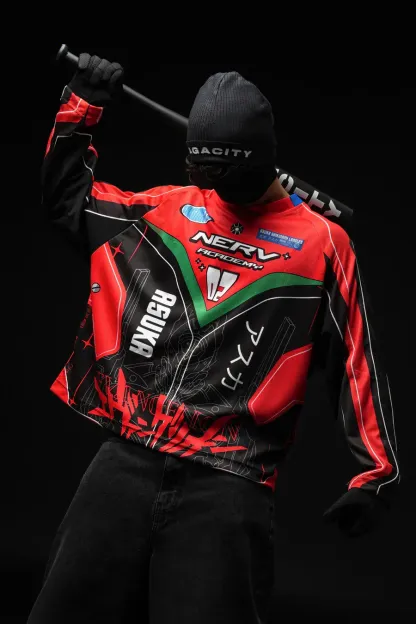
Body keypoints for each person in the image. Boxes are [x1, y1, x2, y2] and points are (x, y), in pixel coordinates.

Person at [28, 54, 399, 624]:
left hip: (228, 486)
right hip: (126, 460)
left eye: (225, 174)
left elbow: (356, 360)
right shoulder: (165, 210)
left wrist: (377, 476)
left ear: (257, 161)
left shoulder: (323, 245)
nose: (214, 188)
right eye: (203, 174)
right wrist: (82, 104)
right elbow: (66, 200)